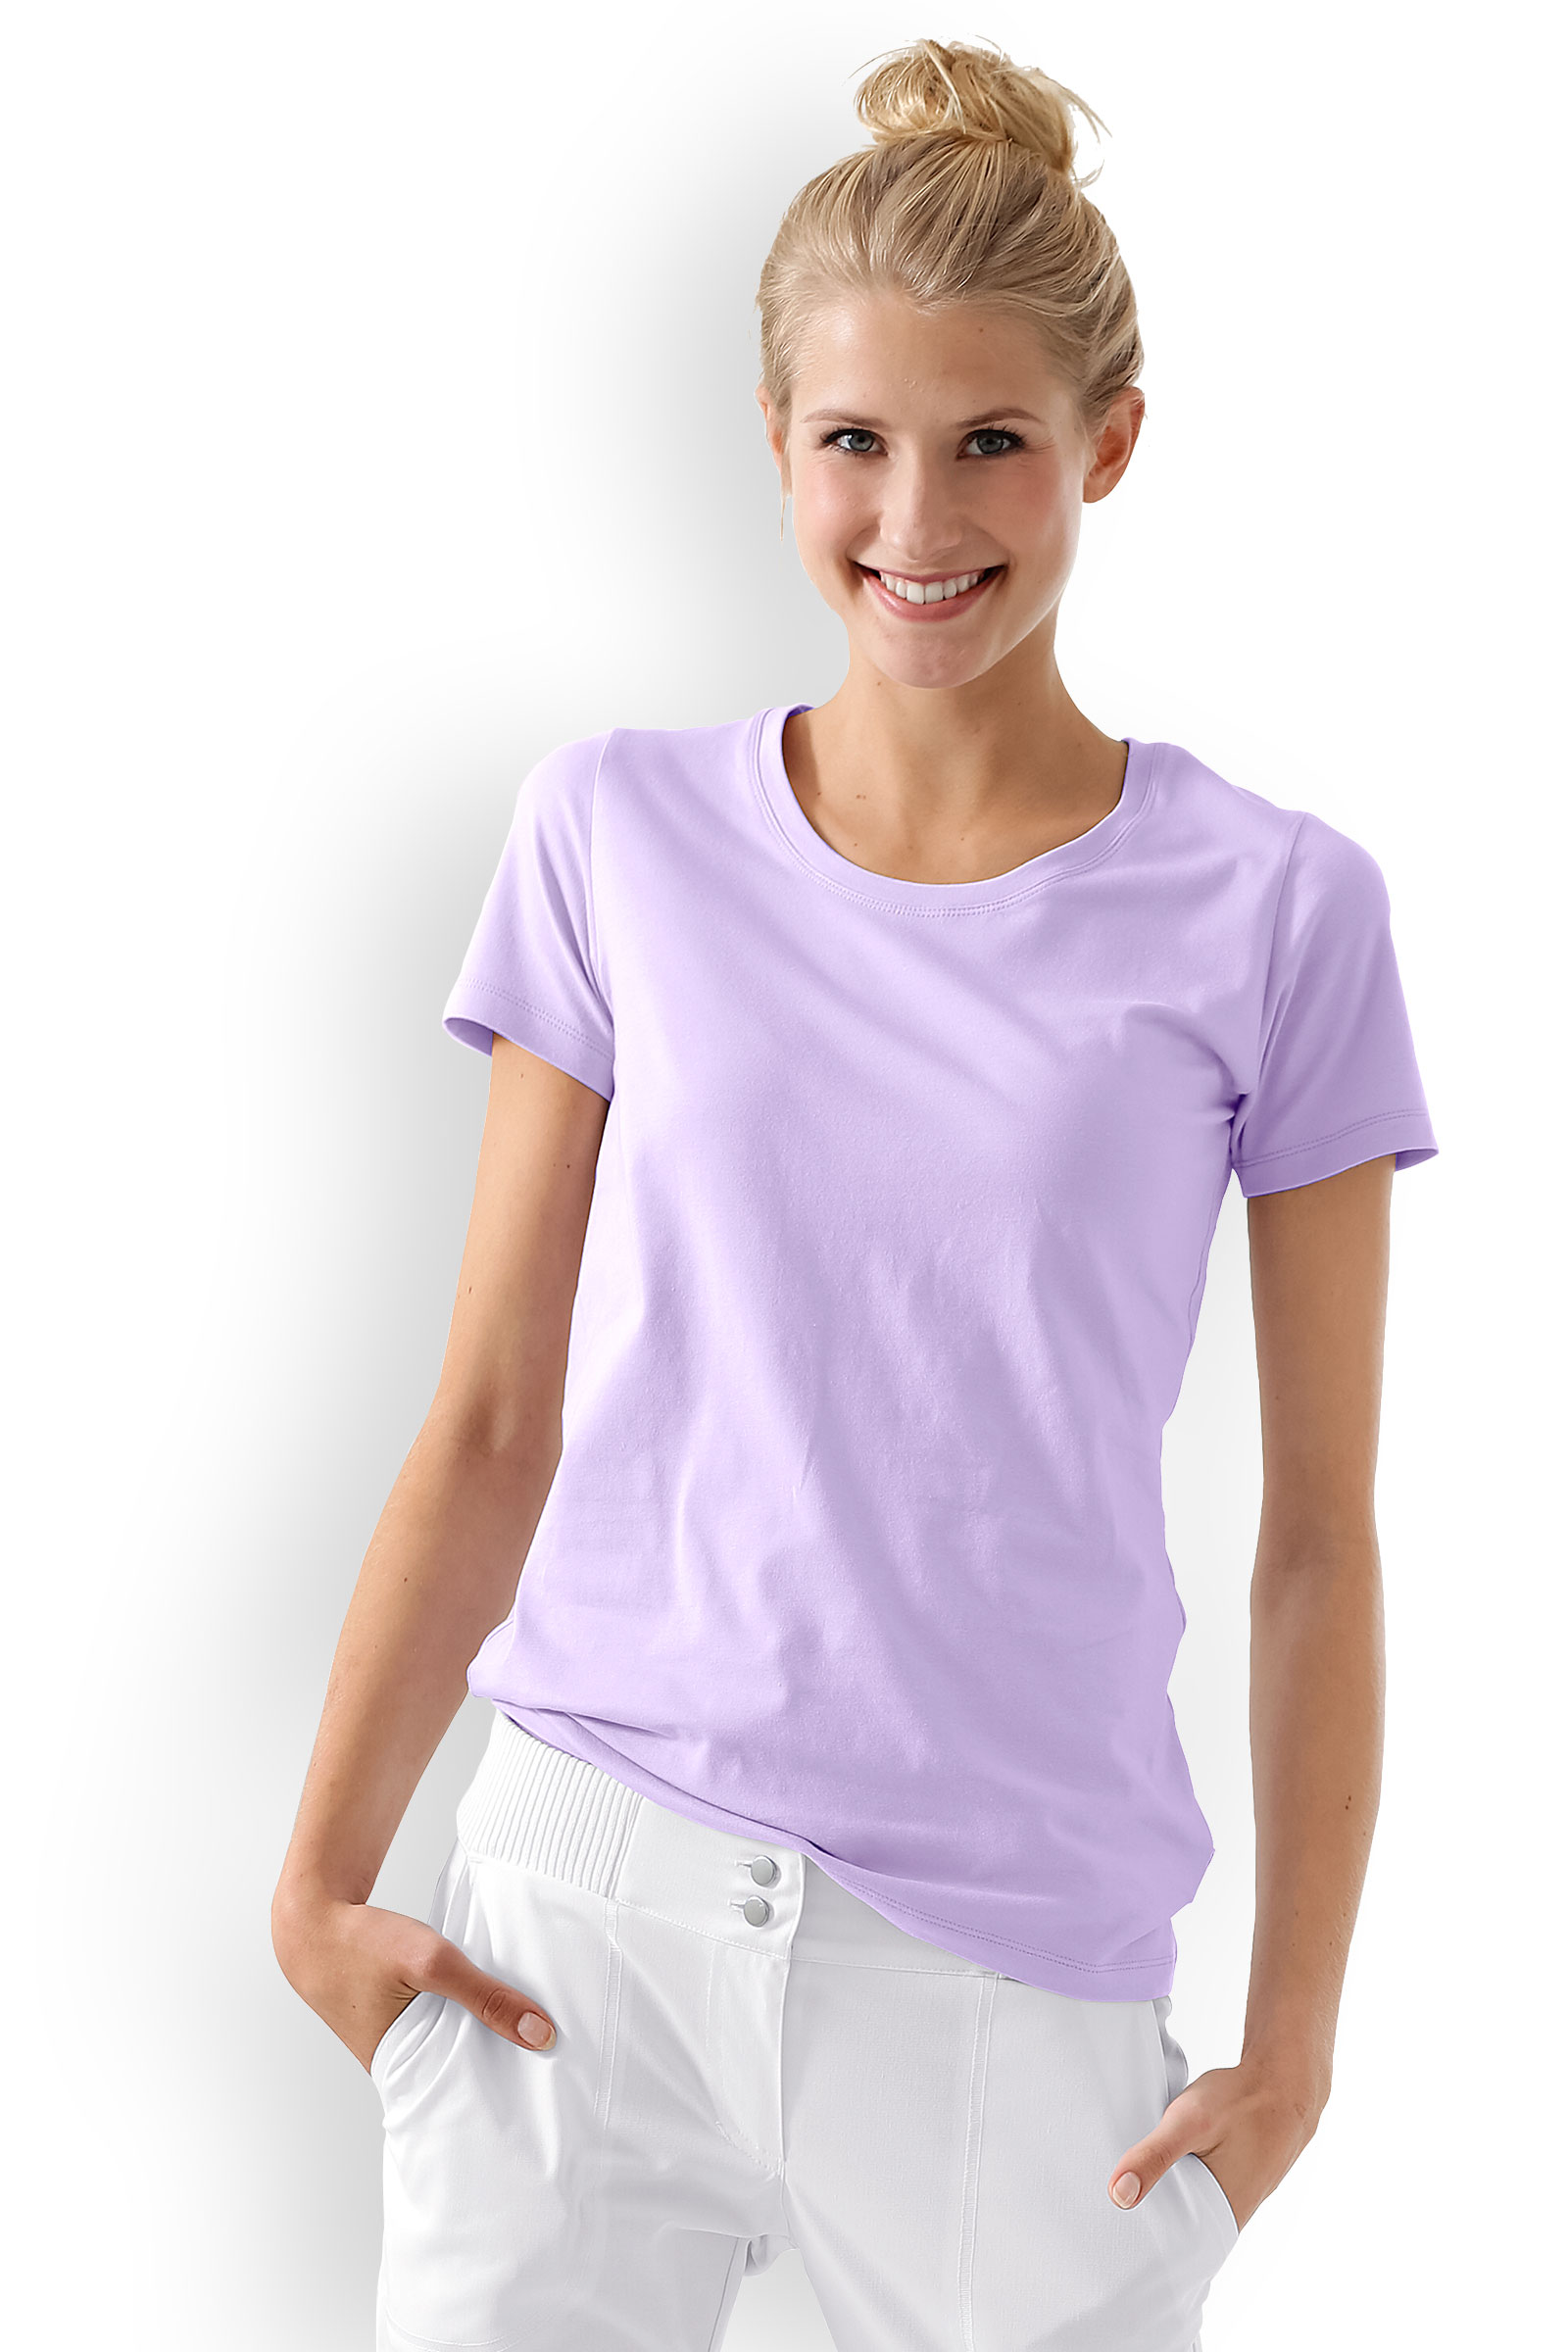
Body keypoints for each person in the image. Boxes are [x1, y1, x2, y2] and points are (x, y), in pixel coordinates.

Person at [270, 36, 1439, 2352]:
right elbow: (490, 1414)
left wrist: (1291, 2047)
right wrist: (319, 1885)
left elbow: (1316, 1533)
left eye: (990, 440)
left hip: (1006, 1991)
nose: (918, 516)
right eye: (854, 443)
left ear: (1107, 443)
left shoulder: (1274, 912)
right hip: (577, 1933)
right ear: (776, 446)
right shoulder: (612, 836)